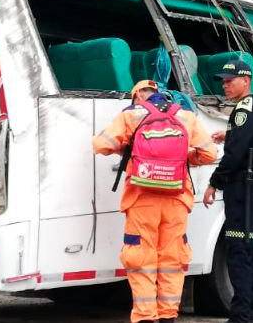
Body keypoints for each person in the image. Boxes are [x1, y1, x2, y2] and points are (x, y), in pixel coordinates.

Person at [94, 80, 219, 323]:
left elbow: (100, 144)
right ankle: (168, 316)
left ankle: (145, 316)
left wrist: (129, 150)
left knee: (141, 258)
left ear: (138, 95)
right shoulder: (184, 116)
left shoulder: (131, 116)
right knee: (173, 259)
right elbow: (210, 154)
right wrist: (181, 158)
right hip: (176, 199)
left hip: (142, 199)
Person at [202, 59, 253, 323]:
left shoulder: (244, 111)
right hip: (251, 186)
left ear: (246, 80)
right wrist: (230, 135)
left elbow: (233, 156)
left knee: (239, 251)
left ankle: (243, 315)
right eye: (223, 80)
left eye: (230, 80)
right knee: (250, 249)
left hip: (241, 187)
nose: (225, 85)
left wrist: (214, 182)